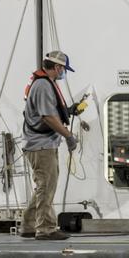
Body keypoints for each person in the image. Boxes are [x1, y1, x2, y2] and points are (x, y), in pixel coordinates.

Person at [21, 50, 80, 240]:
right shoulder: (44, 85)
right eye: (64, 69)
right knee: (47, 187)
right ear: (57, 67)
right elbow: (47, 117)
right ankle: (45, 229)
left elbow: (49, 111)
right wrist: (69, 136)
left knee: (42, 186)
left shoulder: (43, 83)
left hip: (40, 144)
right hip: (42, 146)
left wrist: (68, 111)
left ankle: (29, 225)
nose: (64, 73)